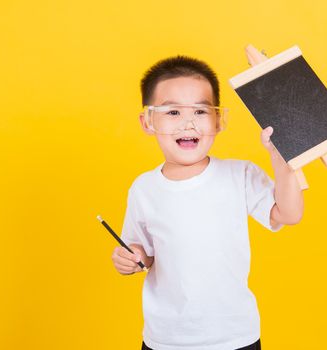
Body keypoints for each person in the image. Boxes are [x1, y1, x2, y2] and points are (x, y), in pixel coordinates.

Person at [112, 55, 304, 350]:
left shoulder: (238, 175)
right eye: (173, 112)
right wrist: (131, 257)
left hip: (235, 336)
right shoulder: (144, 189)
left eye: (200, 111)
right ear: (148, 121)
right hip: (166, 339)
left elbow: (288, 213)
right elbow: (144, 253)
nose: (188, 123)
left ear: (217, 120)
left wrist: (282, 158)